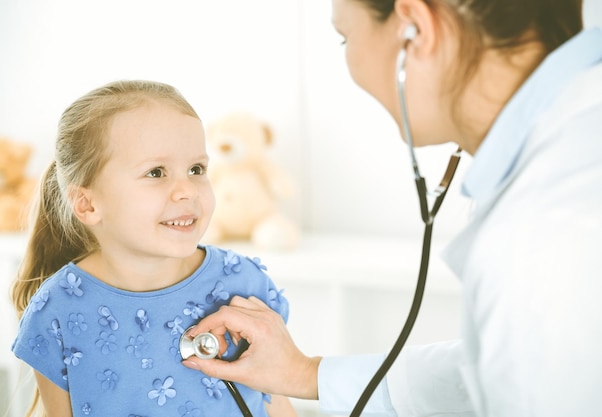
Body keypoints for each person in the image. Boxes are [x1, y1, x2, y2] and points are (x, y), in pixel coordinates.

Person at [182, 0, 602, 416]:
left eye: (345, 36)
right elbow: (503, 370)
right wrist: (307, 374)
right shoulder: (571, 149)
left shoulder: (548, 224)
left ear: (414, 28)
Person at [10, 80, 296, 417]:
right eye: (156, 172)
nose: (187, 190)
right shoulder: (56, 310)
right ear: (87, 204)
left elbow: (276, 403)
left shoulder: (244, 284)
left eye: (196, 169)